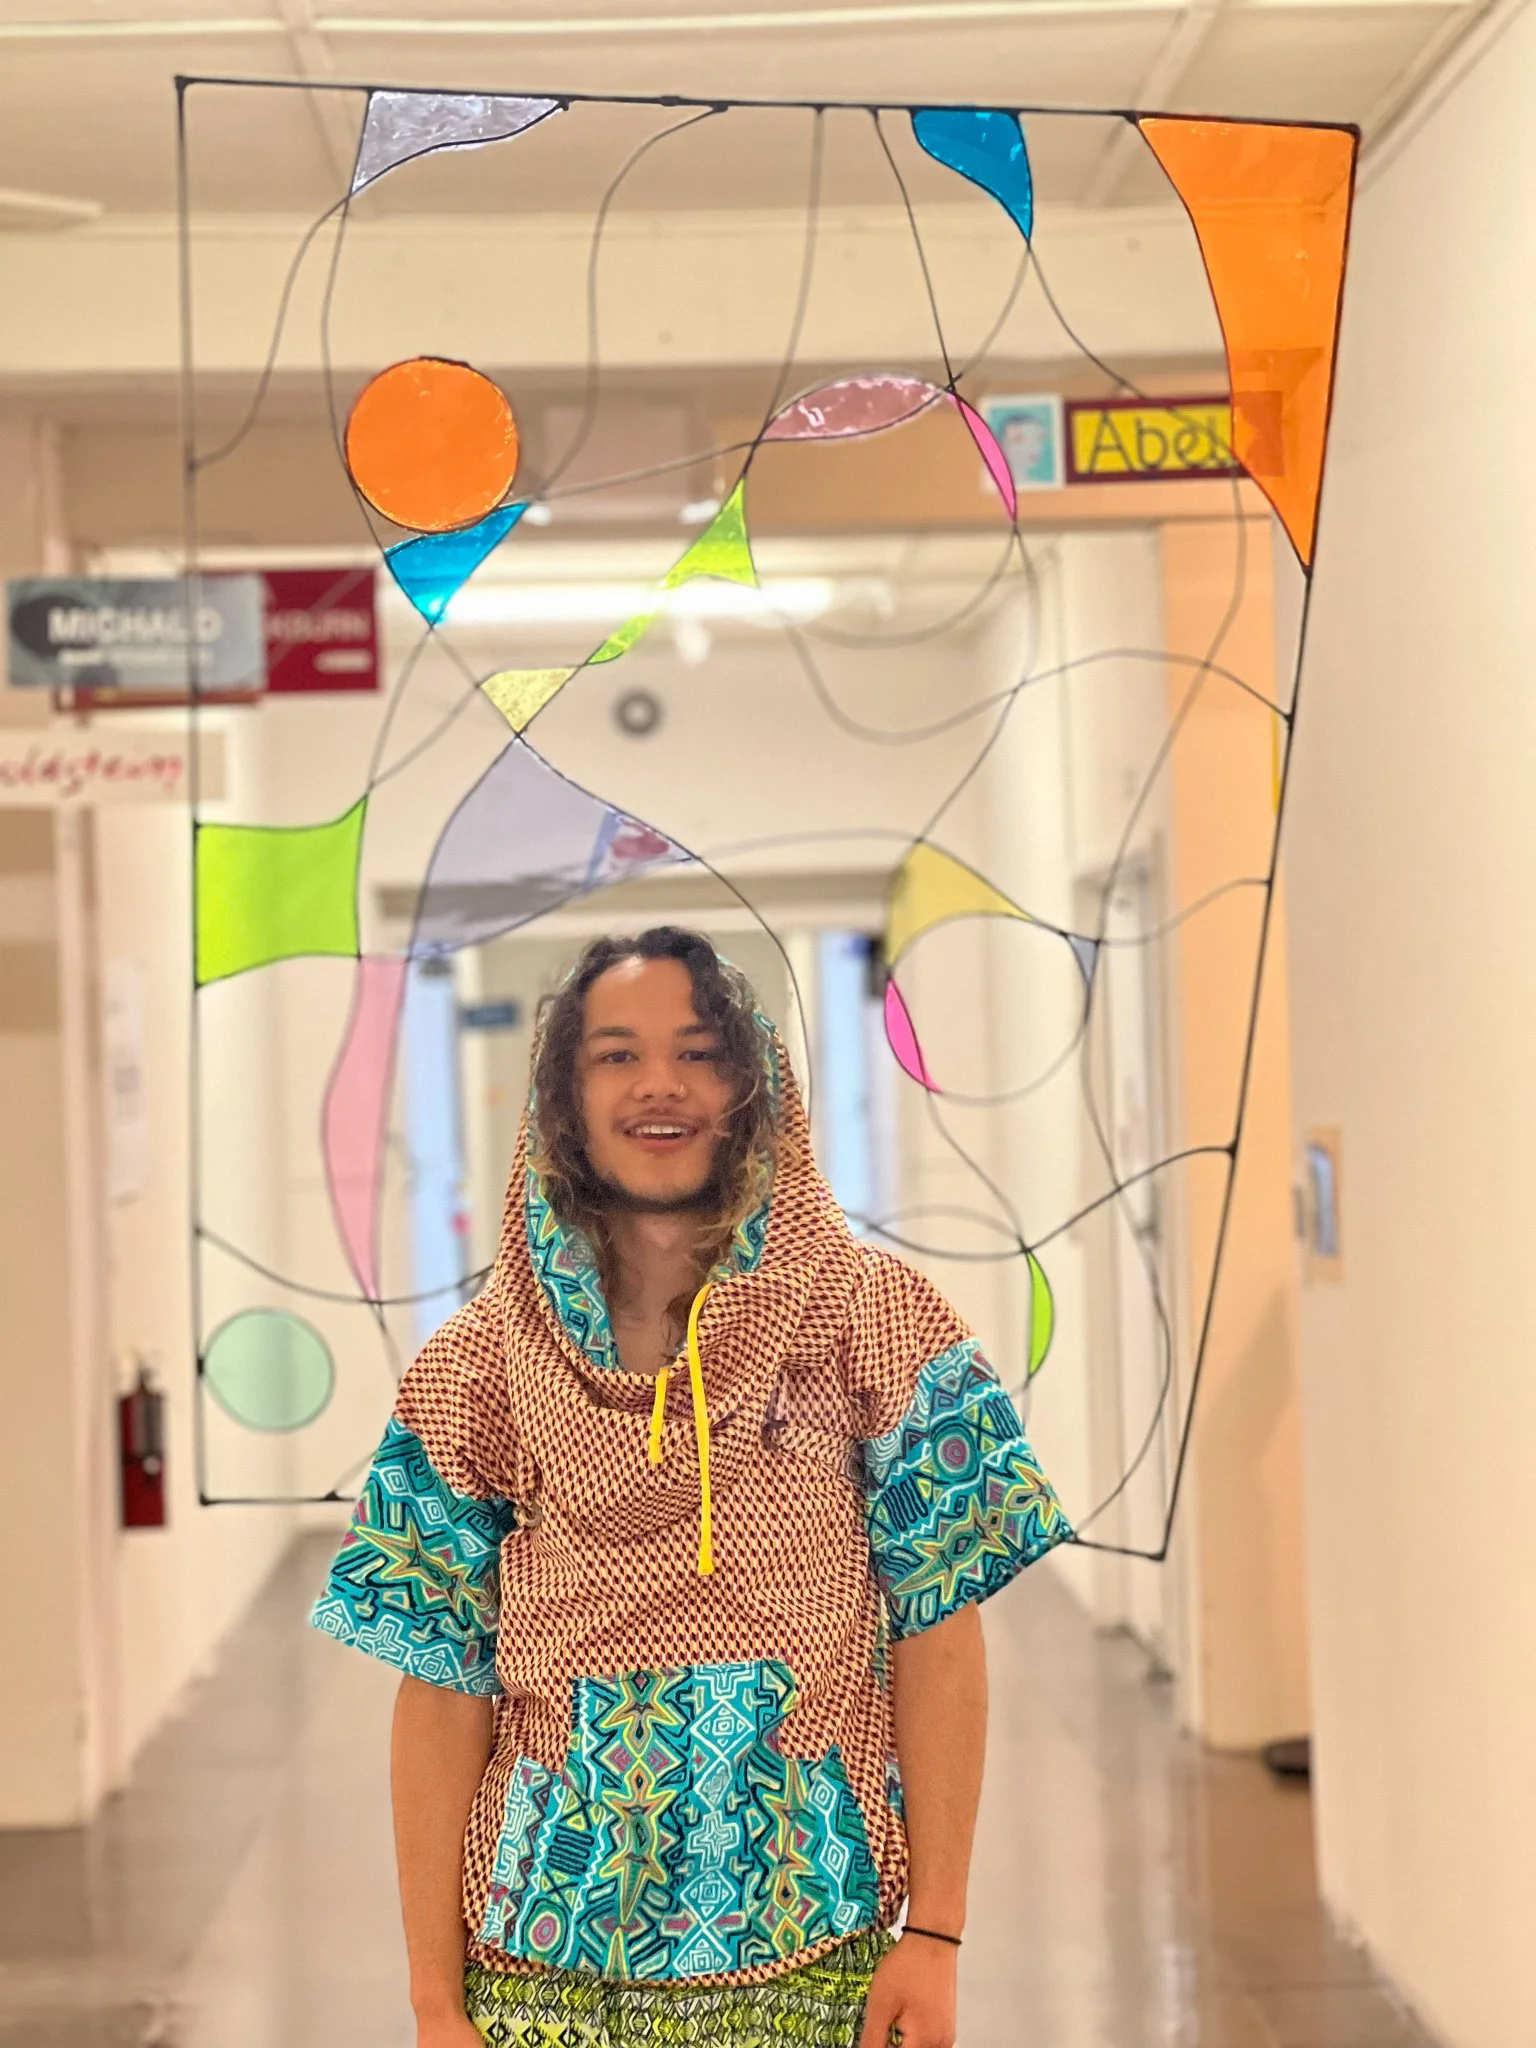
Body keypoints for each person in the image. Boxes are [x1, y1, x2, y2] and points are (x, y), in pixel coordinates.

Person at [313, 926, 1071, 2048]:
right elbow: (437, 1690)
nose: (660, 1083)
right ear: (563, 1098)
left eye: (701, 1051)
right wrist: (434, 1997)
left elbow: (940, 1633)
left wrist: (939, 1932)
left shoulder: (874, 1322)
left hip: (818, 1948)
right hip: (541, 1963)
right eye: (616, 1054)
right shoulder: (475, 1370)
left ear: (753, 1085)